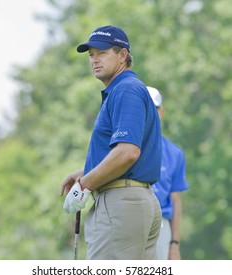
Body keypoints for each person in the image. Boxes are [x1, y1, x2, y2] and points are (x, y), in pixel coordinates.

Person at [60, 25, 162, 260]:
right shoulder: (126, 89)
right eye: (91, 55)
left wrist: (85, 184)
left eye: (102, 53)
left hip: (121, 204)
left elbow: (127, 153)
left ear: (123, 55)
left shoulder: (125, 90)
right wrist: (86, 171)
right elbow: (127, 154)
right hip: (136, 202)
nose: (95, 60)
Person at [147, 86, 189, 260]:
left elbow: (175, 201)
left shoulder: (174, 153)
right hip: (130, 220)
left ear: (161, 112)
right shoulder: (124, 148)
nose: (149, 112)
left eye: (154, 108)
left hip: (161, 228)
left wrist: (174, 244)